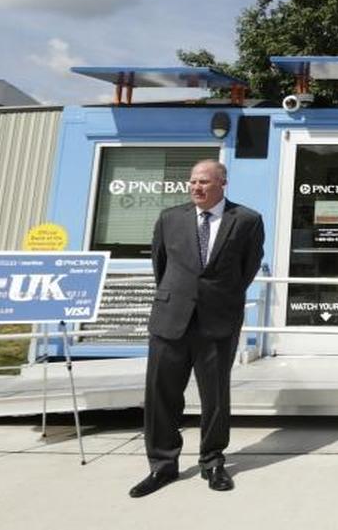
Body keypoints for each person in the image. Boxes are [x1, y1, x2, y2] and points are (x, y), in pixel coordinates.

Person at [129, 159, 265, 498]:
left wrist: (216, 297)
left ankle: (213, 461)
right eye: (192, 182)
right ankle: (162, 465)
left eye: (203, 182)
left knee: (215, 397)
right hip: (171, 319)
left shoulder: (247, 220)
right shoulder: (170, 218)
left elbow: (246, 270)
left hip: (217, 321)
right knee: (161, 395)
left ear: (222, 183)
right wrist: (179, 297)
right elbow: (160, 266)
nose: (195, 188)